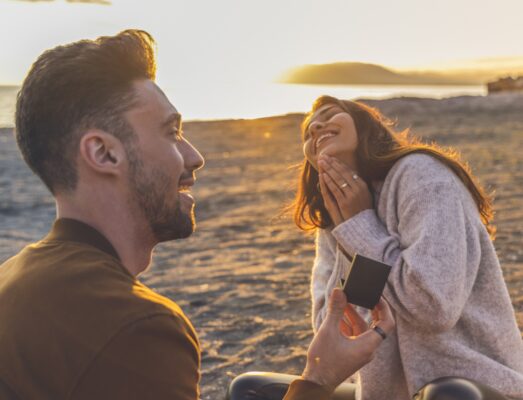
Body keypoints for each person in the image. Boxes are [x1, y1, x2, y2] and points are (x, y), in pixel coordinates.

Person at [0, 30, 394, 400]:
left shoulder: (13, 277)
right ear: (104, 153)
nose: (195, 157)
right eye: (171, 133)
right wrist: (317, 381)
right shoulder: (138, 329)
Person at [289, 95, 523, 399]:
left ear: (364, 126)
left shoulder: (423, 176)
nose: (317, 125)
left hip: (471, 385)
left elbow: (434, 307)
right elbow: (332, 330)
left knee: (445, 394)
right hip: (382, 393)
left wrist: (362, 225)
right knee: (250, 389)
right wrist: (350, 228)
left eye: (331, 114)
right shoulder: (335, 220)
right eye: (308, 131)